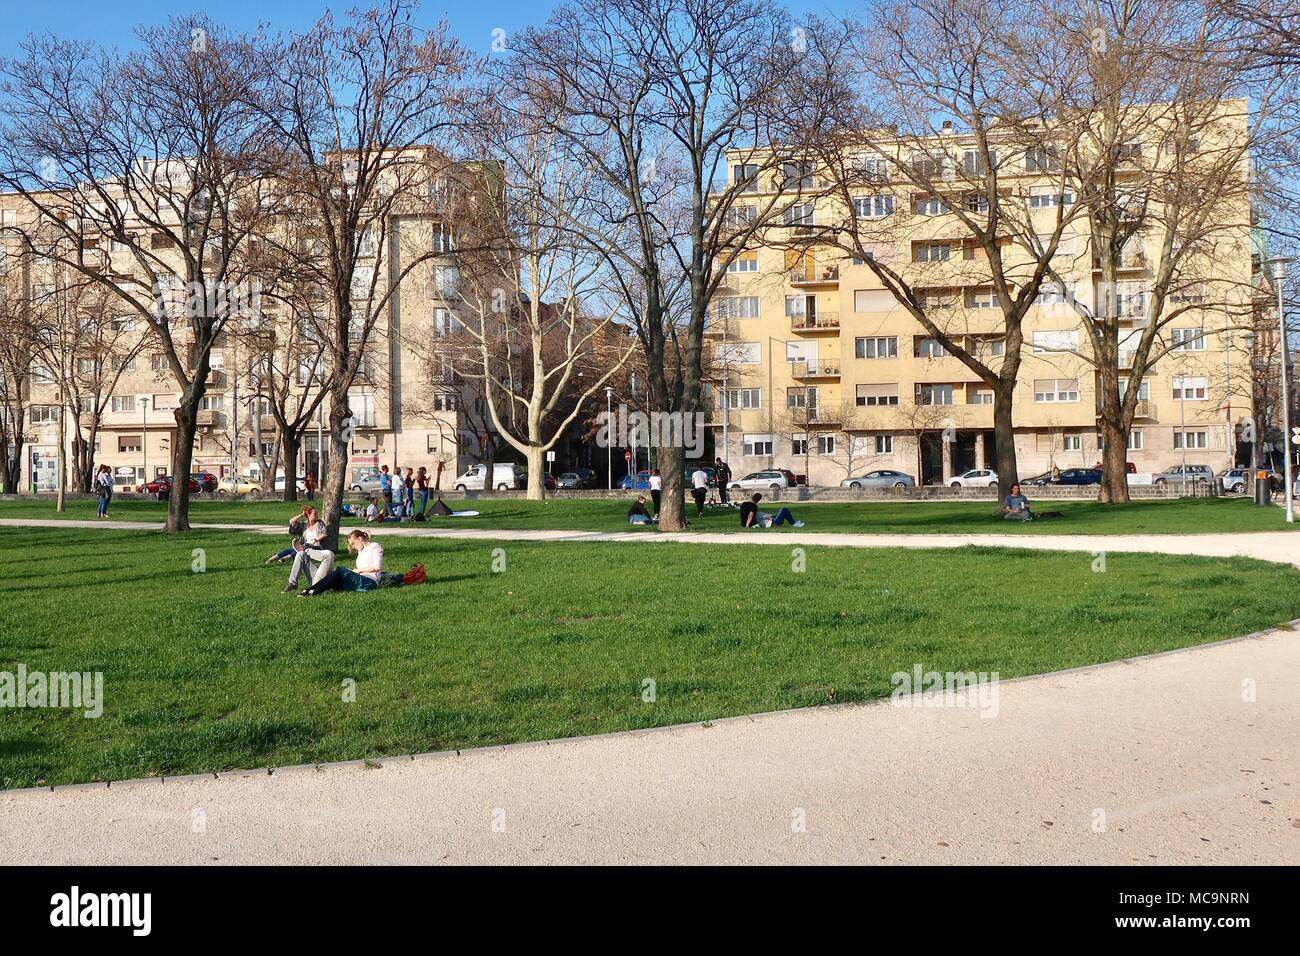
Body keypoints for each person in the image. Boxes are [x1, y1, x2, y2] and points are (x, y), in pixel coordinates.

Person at [300, 530, 384, 596]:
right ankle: (310, 590)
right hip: (361, 578)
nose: (354, 546)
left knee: (341, 571)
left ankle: (314, 591)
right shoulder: (361, 552)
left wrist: (359, 571)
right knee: (334, 574)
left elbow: (377, 567)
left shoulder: (375, 546)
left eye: (354, 543)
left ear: (360, 538)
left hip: (370, 581)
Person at [283, 506, 334, 593]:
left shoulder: (319, 523)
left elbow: (325, 534)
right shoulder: (303, 525)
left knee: (304, 550)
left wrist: (315, 540)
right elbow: (291, 521)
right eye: (314, 513)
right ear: (309, 515)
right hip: (307, 550)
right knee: (300, 554)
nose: (317, 514)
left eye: (317, 513)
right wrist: (301, 515)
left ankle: (303, 549)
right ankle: (292, 583)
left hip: (316, 548)